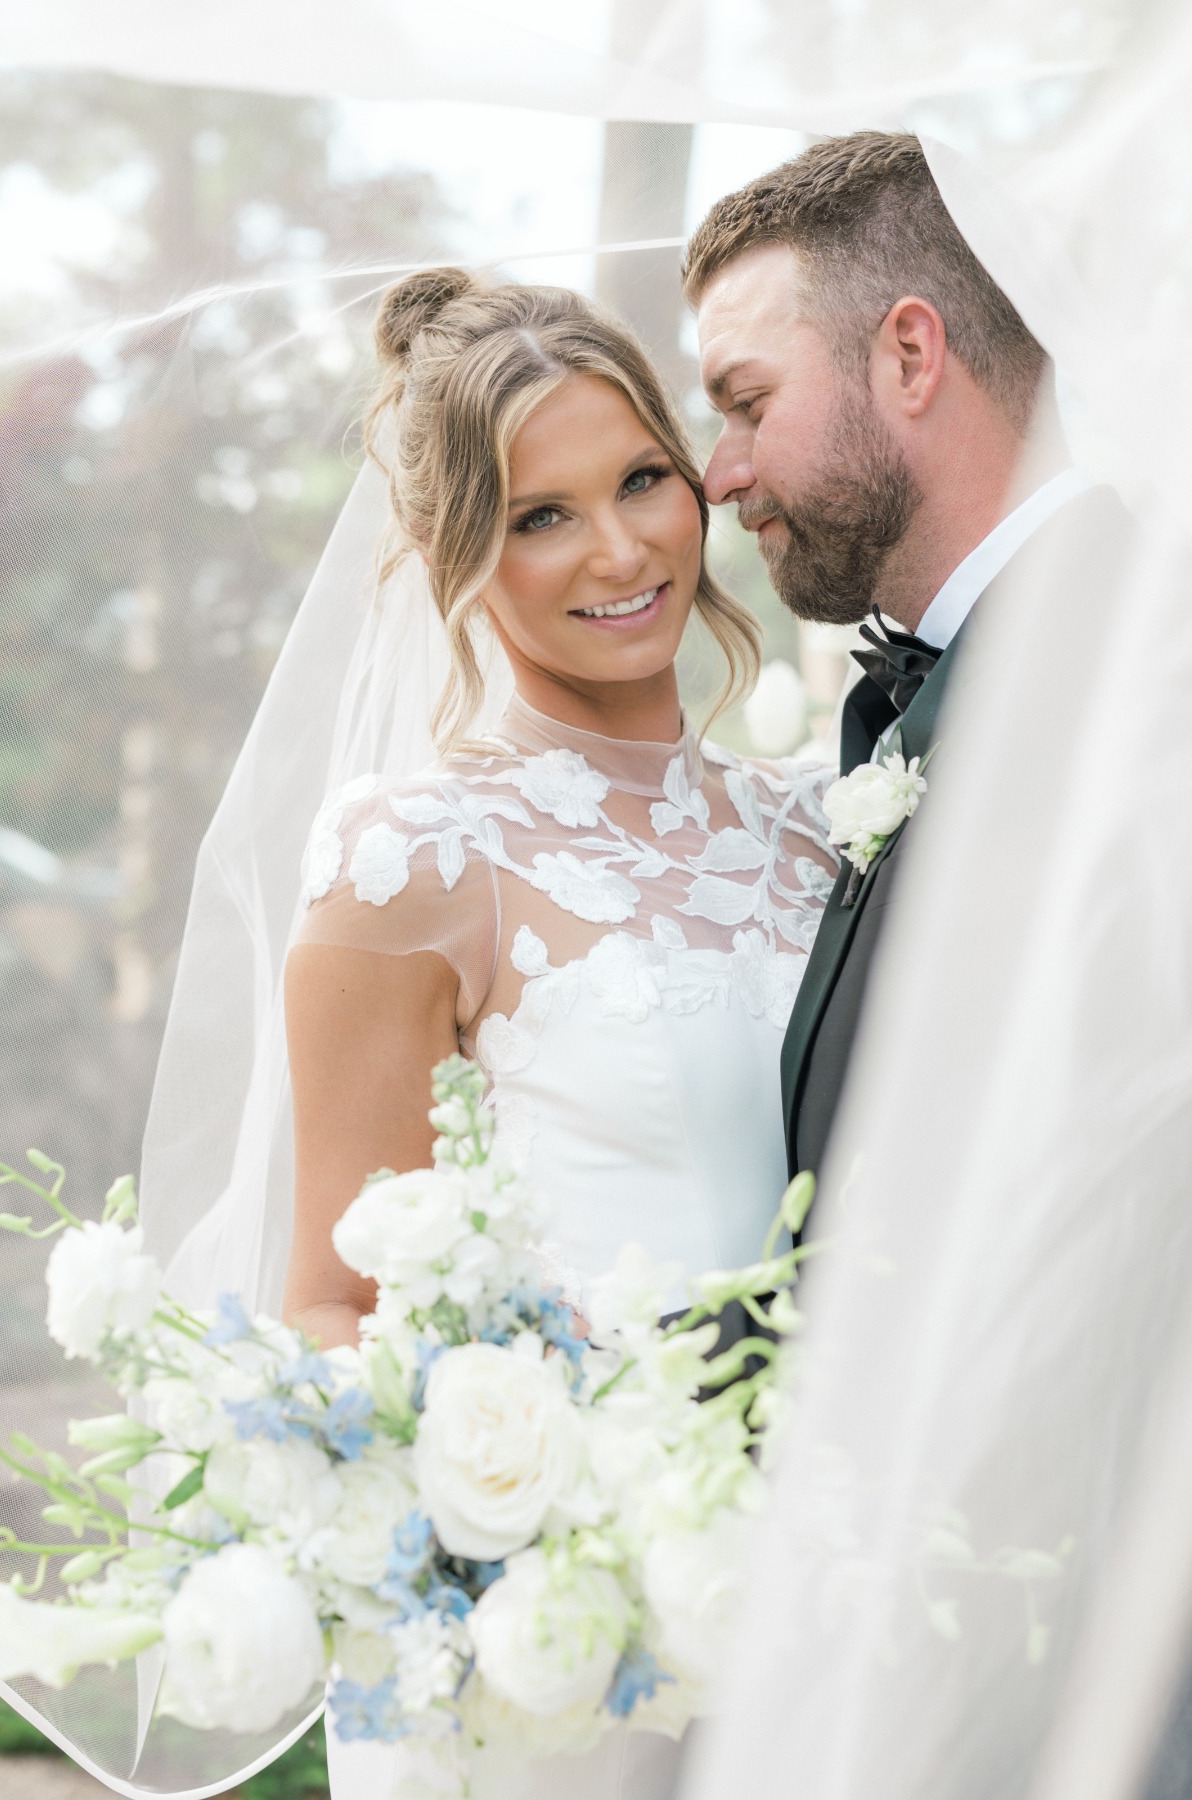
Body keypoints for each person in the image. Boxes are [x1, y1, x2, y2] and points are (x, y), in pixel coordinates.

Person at [280, 268, 838, 1797]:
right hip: (551, 1640)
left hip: (819, 1601)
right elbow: (331, 1302)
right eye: (541, 515)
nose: (621, 549)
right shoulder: (414, 856)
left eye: (645, 479)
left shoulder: (816, 833)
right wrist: (537, 1512)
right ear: (450, 552)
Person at [682, 130, 1128, 1191]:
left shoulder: (1138, 669)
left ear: (911, 358)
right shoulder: (911, 697)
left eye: (749, 405)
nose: (720, 474)